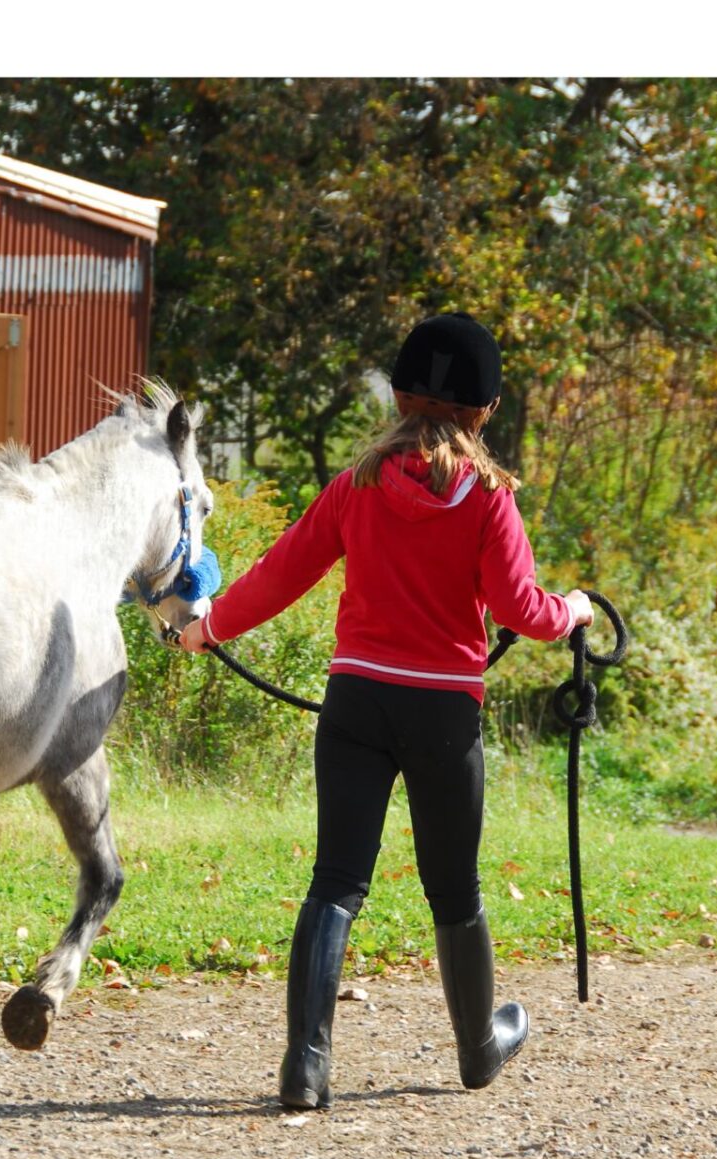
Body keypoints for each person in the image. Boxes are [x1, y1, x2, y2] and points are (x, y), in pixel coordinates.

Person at [177, 313, 594, 1110]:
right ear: (487, 409)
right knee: (455, 889)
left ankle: (305, 1064)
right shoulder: (489, 501)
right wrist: (571, 609)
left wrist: (211, 627)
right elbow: (521, 608)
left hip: (356, 702)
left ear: (399, 394)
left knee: (335, 880)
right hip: (443, 712)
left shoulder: (358, 482)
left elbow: (282, 570)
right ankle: (478, 1049)